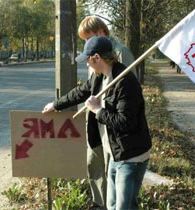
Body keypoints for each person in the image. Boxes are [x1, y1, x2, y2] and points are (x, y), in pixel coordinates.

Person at [42, 36, 151, 210]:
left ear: (97, 58)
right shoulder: (98, 78)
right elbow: (79, 93)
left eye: (87, 60)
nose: (86, 64)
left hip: (131, 157)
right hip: (115, 154)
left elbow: (126, 122)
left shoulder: (125, 82)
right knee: (112, 205)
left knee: (125, 207)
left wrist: (98, 110)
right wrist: (55, 105)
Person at [77, 16, 136, 209]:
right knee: (94, 164)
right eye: (84, 40)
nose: (86, 43)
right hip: (97, 121)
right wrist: (57, 104)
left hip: (114, 125)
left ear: (101, 31)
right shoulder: (92, 54)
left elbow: (129, 92)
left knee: (116, 175)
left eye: (89, 37)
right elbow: (89, 87)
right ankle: (99, 203)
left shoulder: (121, 53)